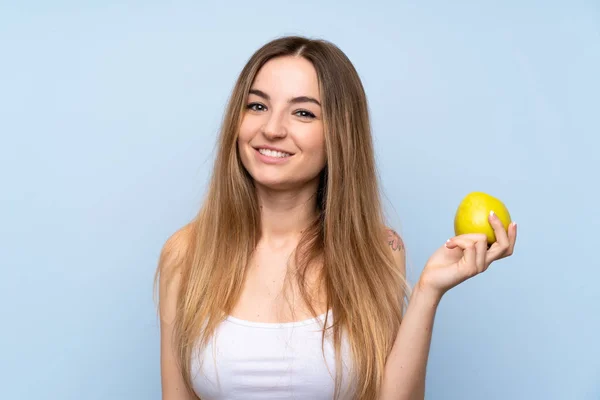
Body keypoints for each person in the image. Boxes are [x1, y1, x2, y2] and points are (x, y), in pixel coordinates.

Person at [155, 35, 518, 400]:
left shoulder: (377, 250)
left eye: (303, 112)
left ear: (339, 135)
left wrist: (428, 292)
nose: (272, 129)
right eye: (257, 106)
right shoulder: (186, 253)